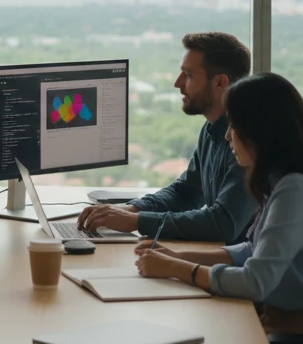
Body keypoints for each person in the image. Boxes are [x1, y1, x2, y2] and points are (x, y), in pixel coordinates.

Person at [134, 73, 303, 344]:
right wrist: (177, 257)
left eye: (234, 126)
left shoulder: (295, 188)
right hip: (287, 328)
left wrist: (177, 270)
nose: (228, 136)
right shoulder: (283, 178)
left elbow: (256, 281)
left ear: (260, 132)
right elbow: (250, 250)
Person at [77, 32, 253, 242]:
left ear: (219, 83)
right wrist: (131, 209)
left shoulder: (248, 142)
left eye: (188, 75)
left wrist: (137, 221)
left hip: (242, 270)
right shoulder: (211, 130)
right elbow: (186, 192)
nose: (177, 83)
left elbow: (223, 223)